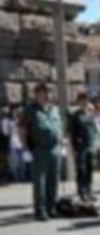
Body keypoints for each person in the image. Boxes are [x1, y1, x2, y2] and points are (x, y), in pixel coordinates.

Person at [21, 84, 64, 221]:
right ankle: (40, 210)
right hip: (39, 150)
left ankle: (51, 208)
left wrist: (62, 142)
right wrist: (25, 148)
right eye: (42, 93)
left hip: (55, 149)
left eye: (48, 92)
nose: (46, 95)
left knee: (53, 180)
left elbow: (60, 127)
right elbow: (22, 129)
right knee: (40, 182)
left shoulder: (55, 109)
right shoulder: (30, 110)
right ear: (36, 94)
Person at [69, 93, 98, 202]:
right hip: (80, 147)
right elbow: (71, 133)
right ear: (78, 102)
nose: (84, 103)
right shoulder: (75, 116)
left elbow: (94, 131)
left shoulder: (91, 115)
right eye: (82, 101)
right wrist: (73, 149)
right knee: (81, 170)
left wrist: (95, 145)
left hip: (90, 145)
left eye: (86, 101)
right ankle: (82, 192)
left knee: (89, 169)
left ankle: (89, 191)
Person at [2, 106, 26, 182]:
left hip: (22, 144)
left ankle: (22, 177)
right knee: (15, 163)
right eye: (14, 113)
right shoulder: (8, 122)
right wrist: (6, 122)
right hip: (13, 144)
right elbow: (5, 133)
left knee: (23, 163)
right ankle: (16, 178)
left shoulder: (22, 122)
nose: (16, 114)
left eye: (17, 113)